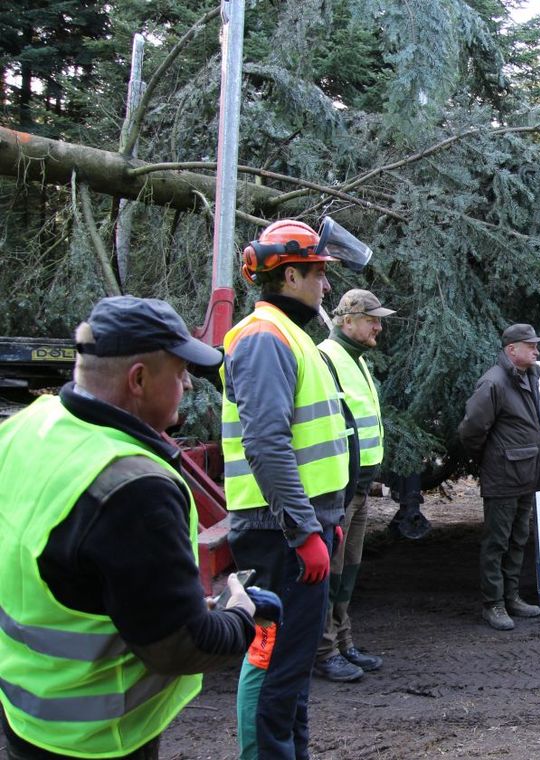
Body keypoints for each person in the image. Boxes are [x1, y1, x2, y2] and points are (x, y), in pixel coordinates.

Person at [0, 296, 277, 759]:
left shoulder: (26, 427)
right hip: (102, 735)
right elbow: (180, 646)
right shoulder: (133, 488)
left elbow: (64, 568)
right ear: (139, 379)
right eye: (180, 372)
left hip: (27, 713)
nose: (188, 385)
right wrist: (240, 614)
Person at [221, 218, 371, 759]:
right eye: (318, 274)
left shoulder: (288, 336)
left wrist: (319, 525)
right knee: (275, 657)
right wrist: (305, 528)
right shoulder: (265, 338)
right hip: (280, 529)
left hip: (298, 525)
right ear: (289, 276)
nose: (325, 286)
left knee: (292, 661)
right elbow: (266, 442)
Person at [312, 289, 394, 682]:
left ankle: (344, 641)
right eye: (372, 319)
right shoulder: (326, 358)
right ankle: (325, 650)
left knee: (349, 569)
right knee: (333, 571)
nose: (379, 325)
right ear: (347, 321)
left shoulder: (355, 360)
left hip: (359, 489)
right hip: (340, 490)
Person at [458, 323, 540, 631]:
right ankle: (493, 604)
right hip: (503, 476)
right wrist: (492, 458)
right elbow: (471, 429)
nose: (537, 350)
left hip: (526, 474)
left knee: (518, 538)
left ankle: (512, 598)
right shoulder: (494, 382)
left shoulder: (529, 376)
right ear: (512, 350)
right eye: (531, 345)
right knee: (497, 541)